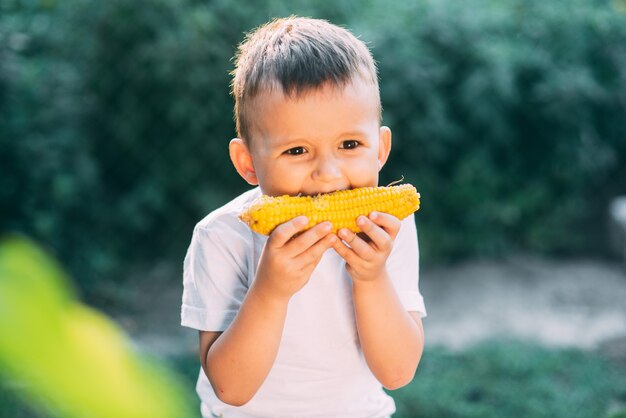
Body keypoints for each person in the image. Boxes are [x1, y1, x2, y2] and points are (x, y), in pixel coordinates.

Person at [181, 16, 427, 418]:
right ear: (248, 162)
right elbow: (231, 388)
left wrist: (371, 277)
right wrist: (271, 290)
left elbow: (398, 371)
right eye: (297, 151)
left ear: (380, 150)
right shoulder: (222, 237)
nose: (327, 175)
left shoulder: (387, 230)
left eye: (350, 144)